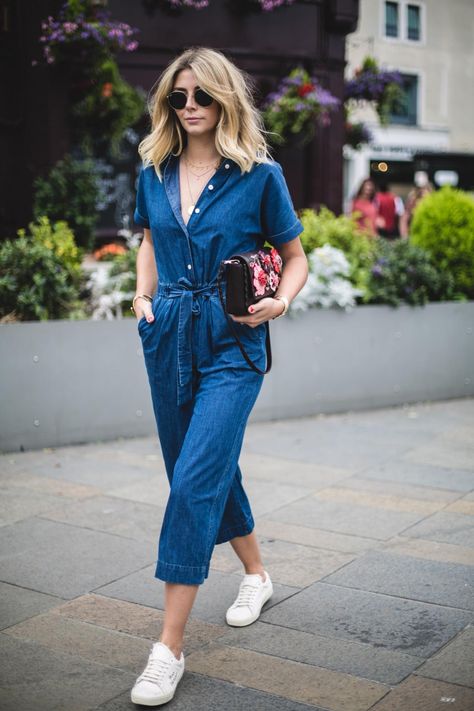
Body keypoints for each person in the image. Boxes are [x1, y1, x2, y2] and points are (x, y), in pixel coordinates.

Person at [130, 46, 308, 706]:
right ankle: (257, 573)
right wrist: (143, 296)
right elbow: (149, 237)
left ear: (226, 98)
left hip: (235, 338)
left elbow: (294, 256)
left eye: (203, 95)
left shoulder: (260, 175)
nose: (191, 106)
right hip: (168, 330)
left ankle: (168, 646)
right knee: (199, 469)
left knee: (196, 476)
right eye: (179, 97)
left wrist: (281, 301)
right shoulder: (155, 168)